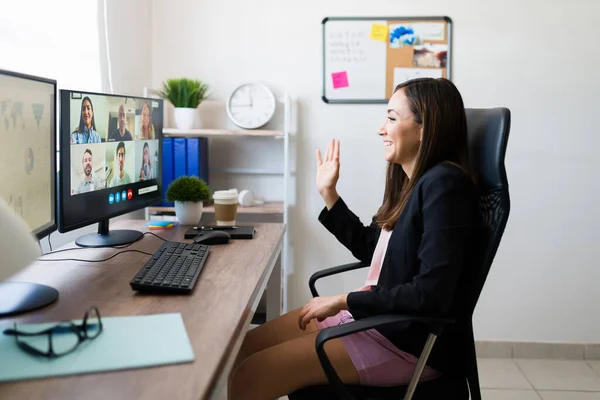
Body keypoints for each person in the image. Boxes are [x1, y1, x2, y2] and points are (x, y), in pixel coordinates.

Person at [227, 78, 480, 400]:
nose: (381, 129)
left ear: (424, 127)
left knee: (253, 374)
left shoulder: (445, 187)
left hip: (404, 341)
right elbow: (373, 249)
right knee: (245, 348)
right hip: (377, 319)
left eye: (391, 118)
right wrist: (329, 194)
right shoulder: (412, 183)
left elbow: (431, 294)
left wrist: (345, 299)